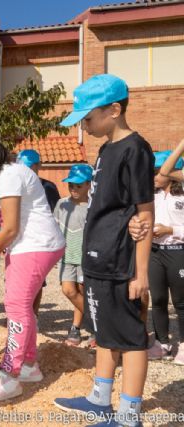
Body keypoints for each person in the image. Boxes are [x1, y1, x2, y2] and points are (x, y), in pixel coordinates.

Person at [53, 74, 154, 427]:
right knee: (104, 332)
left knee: (130, 337)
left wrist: (141, 275)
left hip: (119, 263)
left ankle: (129, 415)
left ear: (114, 110)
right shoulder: (105, 149)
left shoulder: (136, 149)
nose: (84, 125)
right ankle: (100, 398)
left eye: (88, 117)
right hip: (96, 258)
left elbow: (144, 210)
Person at [0, 133, 65, 402]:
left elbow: (12, 227)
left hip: (35, 244)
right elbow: (9, 220)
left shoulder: (7, 176)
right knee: (23, 305)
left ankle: (10, 375)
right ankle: (29, 366)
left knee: (16, 307)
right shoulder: (8, 174)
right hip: (29, 245)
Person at [146, 151, 184, 364]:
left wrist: (171, 229)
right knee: (158, 300)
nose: (154, 177)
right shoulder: (153, 195)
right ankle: (162, 344)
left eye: (158, 172)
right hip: (155, 253)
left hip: (178, 251)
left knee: (181, 302)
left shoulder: (182, 194)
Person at [17, 149, 61, 316]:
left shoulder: (48, 187)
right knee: (17, 283)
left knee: (36, 283)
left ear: (38, 165)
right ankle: (18, 316)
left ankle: (33, 317)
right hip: (18, 241)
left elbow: (55, 216)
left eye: (29, 167)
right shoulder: (15, 187)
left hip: (39, 243)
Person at [53, 164, 93, 346]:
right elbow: (54, 227)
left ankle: (77, 327)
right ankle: (97, 324)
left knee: (83, 292)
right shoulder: (62, 204)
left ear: (88, 185)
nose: (74, 189)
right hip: (66, 257)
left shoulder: (93, 206)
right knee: (69, 290)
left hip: (85, 259)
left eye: (78, 185)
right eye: (71, 185)